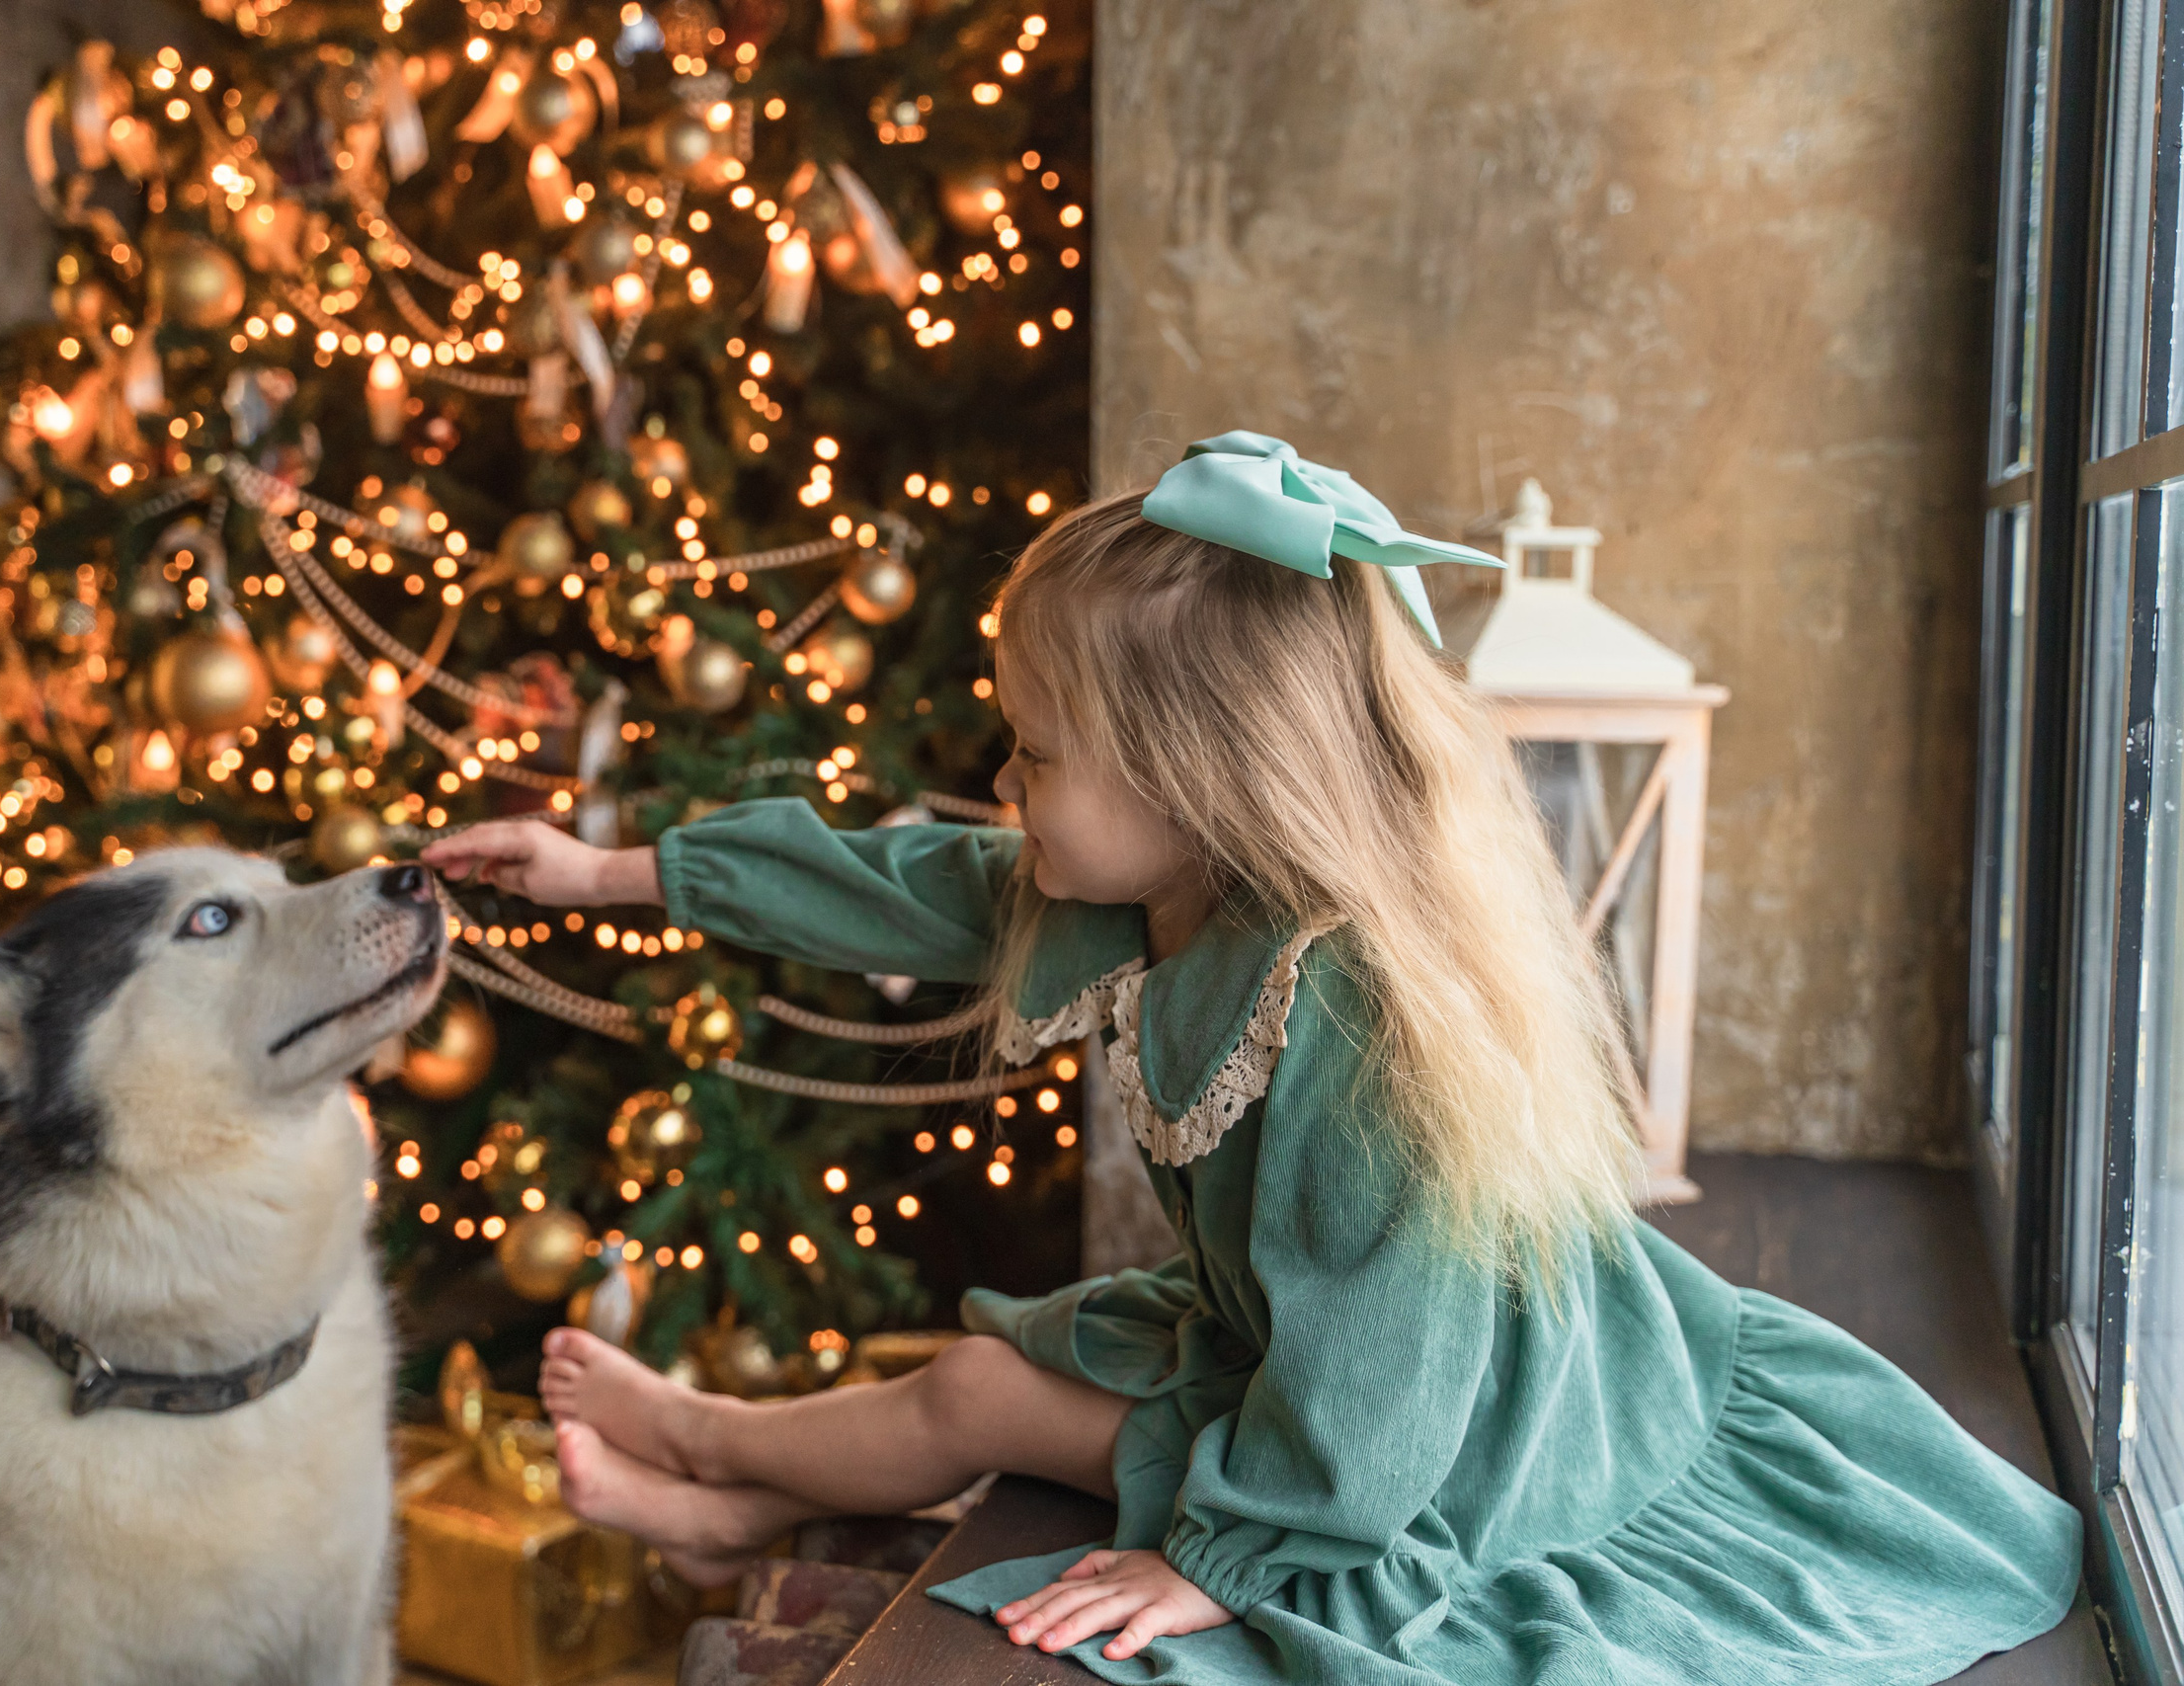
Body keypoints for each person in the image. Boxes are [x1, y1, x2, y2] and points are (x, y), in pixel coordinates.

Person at [423, 433, 2080, 1684]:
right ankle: (722, 1479)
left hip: (1448, 1432)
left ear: (1198, 778)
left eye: (1040, 750)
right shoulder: (1173, 885)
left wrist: (1239, 1555)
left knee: (977, 1388)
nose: (1007, 780)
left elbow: (1388, 1341)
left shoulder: (1339, 1010)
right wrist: (612, 873)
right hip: (1308, 1348)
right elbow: (912, 881)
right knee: (979, 1385)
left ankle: (717, 1461)